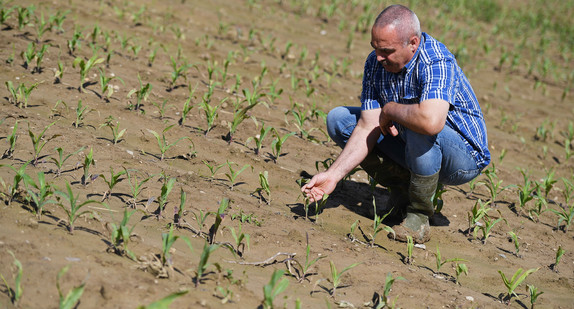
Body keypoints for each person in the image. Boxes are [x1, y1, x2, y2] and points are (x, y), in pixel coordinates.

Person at [301, 4, 490, 243]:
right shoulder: (376, 63)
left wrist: (390, 109)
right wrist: (333, 175)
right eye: (375, 48)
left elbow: (431, 123)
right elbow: (366, 126)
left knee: (419, 123)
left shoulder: (436, 61)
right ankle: (402, 193)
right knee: (340, 120)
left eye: (387, 51)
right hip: (415, 143)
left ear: (413, 43)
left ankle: (419, 215)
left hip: (463, 157)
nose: (379, 58)